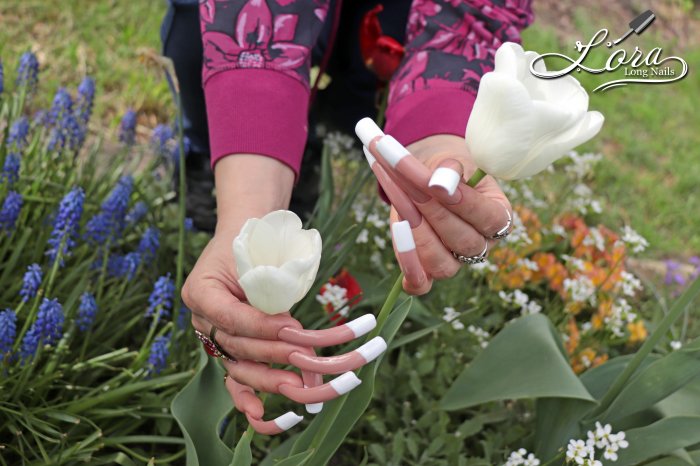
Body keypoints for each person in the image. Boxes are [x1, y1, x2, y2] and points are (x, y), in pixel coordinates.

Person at [163, 0, 533, 433]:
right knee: (196, 32)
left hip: (383, 29)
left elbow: (474, 13)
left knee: (359, 87)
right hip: (254, 28)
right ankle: (240, 160)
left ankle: (313, 135)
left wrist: (440, 139)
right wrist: (248, 219)